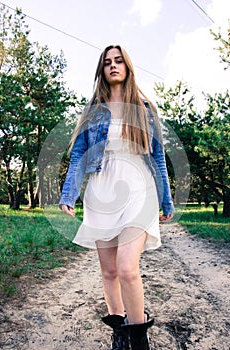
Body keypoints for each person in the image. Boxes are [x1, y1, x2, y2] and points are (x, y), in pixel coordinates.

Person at [59, 45, 174, 350]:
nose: (113, 65)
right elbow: (80, 155)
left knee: (126, 268)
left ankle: (139, 339)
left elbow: (158, 157)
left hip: (140, 190)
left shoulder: (145, 109)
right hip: (102, 191)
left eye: (118, 60)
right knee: (109, 271)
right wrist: (69, 194)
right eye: (107, 62)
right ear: (101, 70)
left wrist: (166, 200)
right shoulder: (93, 112)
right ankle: (119, 333)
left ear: (127, 66)